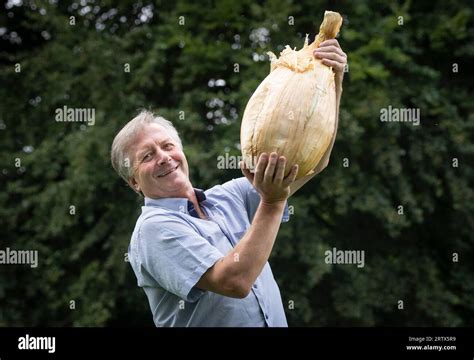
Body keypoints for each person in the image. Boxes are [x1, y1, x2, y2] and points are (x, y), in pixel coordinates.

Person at [110, 40, 346, 326]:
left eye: (168, 145)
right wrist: (272, 202)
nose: (163, 157)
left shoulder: (230, 196)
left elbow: (314, 163)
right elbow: (234, 281)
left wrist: (333, 79)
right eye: (147, 155)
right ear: (134, 181)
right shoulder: (153, 230)